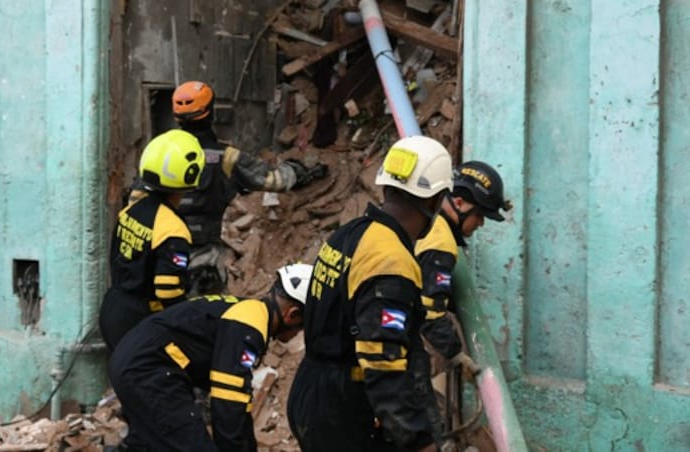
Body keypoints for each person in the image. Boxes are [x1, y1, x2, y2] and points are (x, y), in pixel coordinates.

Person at [287, 136, 453, 452]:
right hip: (344, 412)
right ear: (433, 201)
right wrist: (418, 440)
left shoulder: (348, 234)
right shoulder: (390, 260)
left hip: (313, 391)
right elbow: (383, 366)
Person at [129, 80, 328, 296]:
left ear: (177, 117)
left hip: (158, 256)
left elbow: (135, 202)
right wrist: (301, 171)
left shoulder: (161, 153)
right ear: (210, 112)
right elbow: (274, 180)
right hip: (204, 259)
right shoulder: (226, 157)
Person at [108, 263, 312, 451]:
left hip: (137, 361)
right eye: (302, 326)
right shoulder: (250, 326)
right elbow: (228, 406)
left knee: (150, 443)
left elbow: (237, 404)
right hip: (148, 370)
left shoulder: (247, 312)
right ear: (292, 315)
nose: (298, 333)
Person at [99, 129, 206, 350]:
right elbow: (169, 291)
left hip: (113, 309)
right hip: (142, 320)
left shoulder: (130, 210)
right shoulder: (172, 229)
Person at [415, 161, 510, 371]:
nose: (481, 224)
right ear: (459, 203)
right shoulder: (441, 243)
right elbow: (430, 313)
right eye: (479, 215)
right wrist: (457, 355)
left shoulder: (426, 220)